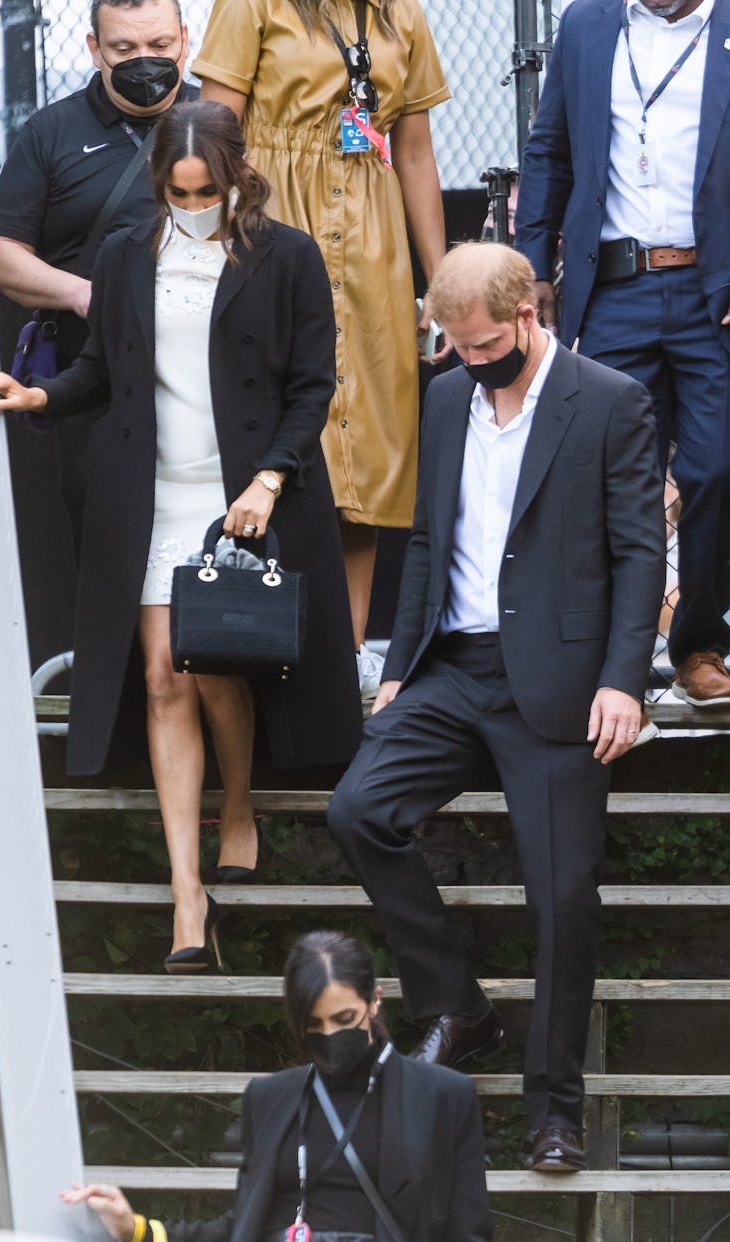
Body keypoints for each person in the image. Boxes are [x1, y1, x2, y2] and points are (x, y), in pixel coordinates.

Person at [0, 101, 361, 971]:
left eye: (206, 190)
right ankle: (188, 892)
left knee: (215, 665)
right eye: (178, 192)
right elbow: (101, 371)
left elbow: (312, 385)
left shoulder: (287, 256)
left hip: (240, 493)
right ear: (159, 185)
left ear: (235, 176)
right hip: (150, 495)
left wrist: (269, 478)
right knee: (161, 676)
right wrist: (37, 394)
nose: (193, 204)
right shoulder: (123, 254)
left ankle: (239, 803)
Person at [326, 242, 666, 1173]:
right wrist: (401, 666)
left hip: (561, 684)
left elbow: (640, 550)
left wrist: (624, 680)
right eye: (456, 347)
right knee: (358, 811)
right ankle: (459, 1007)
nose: (471, 361)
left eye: (483, 345)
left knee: (562, 900)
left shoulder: (609, 401)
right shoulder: (446, 400)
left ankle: (552, 1111)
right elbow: (428, 539)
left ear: (527, 314)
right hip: (452, 670)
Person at [191, 0, 452, 694]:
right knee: (280, 434)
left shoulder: (401, 13)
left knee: (367, 451)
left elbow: (415, 151)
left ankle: (349, 652)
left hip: (371, 243)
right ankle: (263, 648)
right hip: (273, 224)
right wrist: (217, 254)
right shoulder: (252, 6)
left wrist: (443, 281)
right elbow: (214, 137)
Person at [514, 0, 730, 705]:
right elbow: (549, 150)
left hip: (713, 291)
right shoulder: (587, 24)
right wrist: (533, 268)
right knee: (611, 478)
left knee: (715, 468)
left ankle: (698, 644)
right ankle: (617, 663)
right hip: (614, 289)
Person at [60, 930, 493, 1242]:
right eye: (313, 1025)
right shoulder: (270, 1098)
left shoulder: (442, 1095)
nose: (330, 1035)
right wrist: (136, 1229)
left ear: (374, 1000)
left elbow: (468, 1232)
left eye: (344, 1019)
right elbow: (241, 1226)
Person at [0, 0, 199, 557]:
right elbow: (2, 253)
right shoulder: (51, 130)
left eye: (159, 45)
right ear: (94, 48)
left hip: (208, 368)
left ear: (185, 39)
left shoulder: (219, 119)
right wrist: (85, 295)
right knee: (110, 548)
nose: (145, 60)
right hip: (95, 373)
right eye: (124, 48)